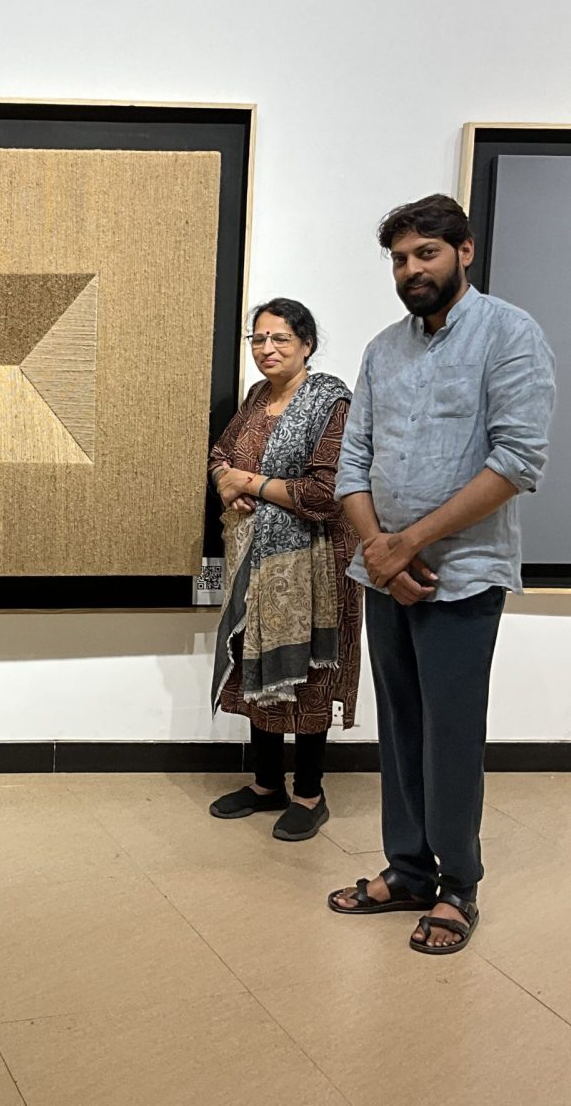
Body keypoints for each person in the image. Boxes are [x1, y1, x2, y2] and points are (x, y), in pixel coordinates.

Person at [328, 194, 555, 954]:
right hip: (384, 574)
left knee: (450, 732)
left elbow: (517, 460)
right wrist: (380, 549)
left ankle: (458, 886)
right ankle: (407, 871)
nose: (411, 270)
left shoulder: (510, 334)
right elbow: (353, 461)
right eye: (399, 258)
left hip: (464, 574)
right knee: (400, 727)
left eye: (426, 253)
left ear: (465, 251)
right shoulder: (382, 349)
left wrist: (409, 543)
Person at [207, 299, 360, 841]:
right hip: (254, 562)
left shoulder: (331, 400)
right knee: (257, 665)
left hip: (316, 565)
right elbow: (220, 455)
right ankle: (267, 783)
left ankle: (309, 795)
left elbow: (325, 493)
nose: (266, 349)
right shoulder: (256, 397)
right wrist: (227, 482)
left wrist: (248, 482)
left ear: (307, 345)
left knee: (308, 675)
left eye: (280, 339)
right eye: (258, 339)